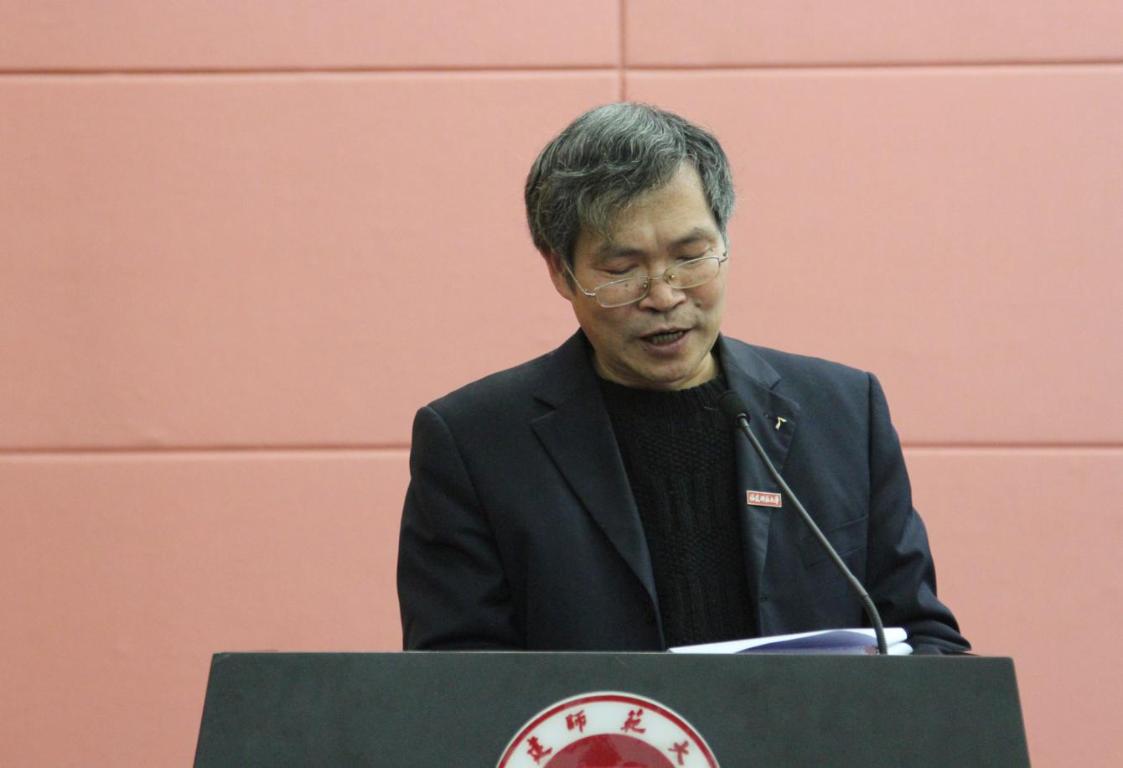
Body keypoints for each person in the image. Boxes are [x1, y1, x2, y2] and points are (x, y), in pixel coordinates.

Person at [397, 102, 969, 654]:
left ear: (726, 241)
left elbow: (923, 638)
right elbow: (456, 683)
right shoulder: (475, 444)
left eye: (691, 256)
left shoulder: (843, 413)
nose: (664, 296)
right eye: (622, 270)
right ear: (561, 272)